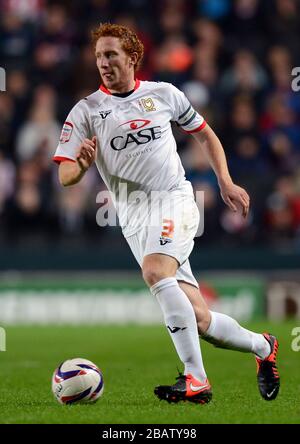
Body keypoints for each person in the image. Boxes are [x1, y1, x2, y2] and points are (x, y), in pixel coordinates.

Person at [53, 23, 280, 404]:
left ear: (133, 57)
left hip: (173, 201)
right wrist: (81, 165)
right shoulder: (86, 110)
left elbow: (205, 134)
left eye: (111, 55)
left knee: (155, 272)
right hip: (133, 218)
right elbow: (64, 176)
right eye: (98, 57)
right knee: (202, 320)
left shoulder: (163, 94)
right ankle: (264, 347)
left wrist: (224, 180)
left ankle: (196, 379)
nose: (103, 63)